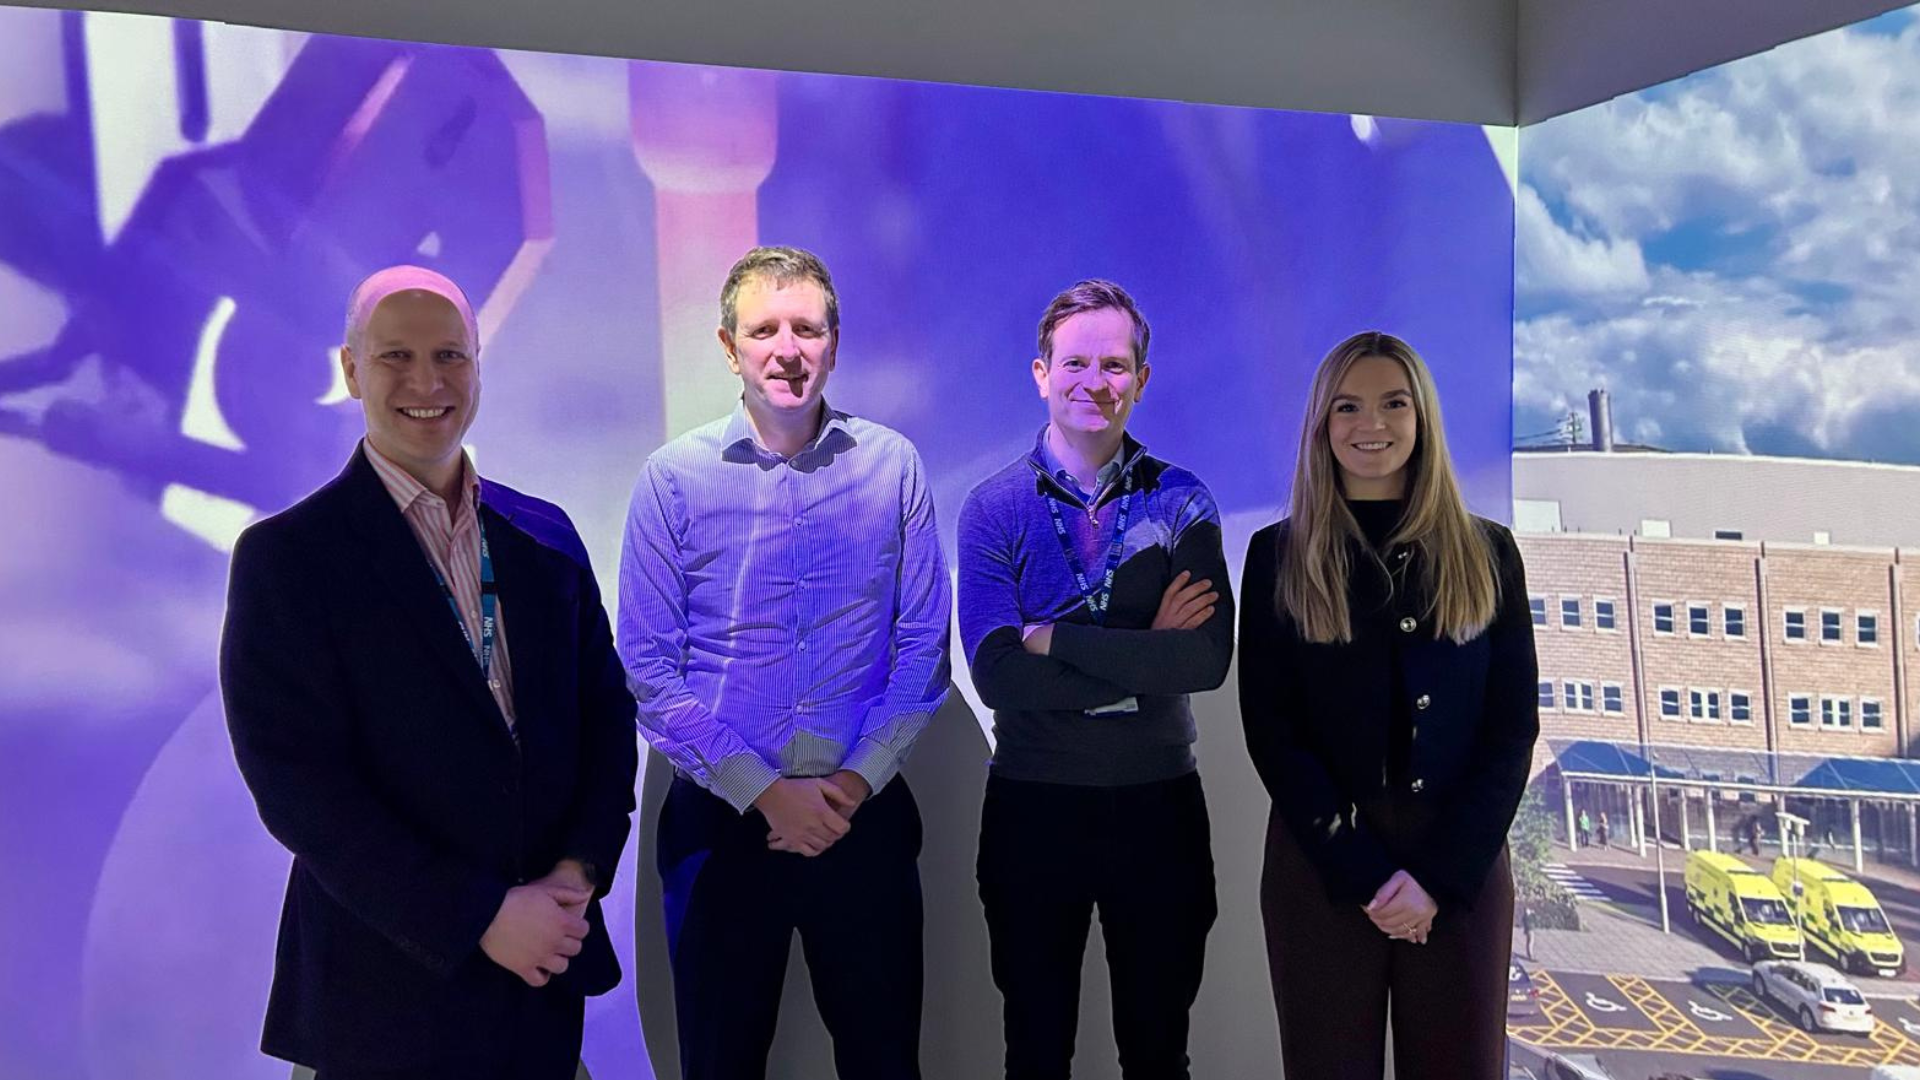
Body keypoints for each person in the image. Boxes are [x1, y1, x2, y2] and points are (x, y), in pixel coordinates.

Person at [221, 266, 640, 1080]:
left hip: (540, 987)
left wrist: (577, 872)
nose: (426, 381)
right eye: (396, 357)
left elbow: (605, 717)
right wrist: (480, 914)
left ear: (480, 365)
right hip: (381, 997)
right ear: (350, 370)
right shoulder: (289, 559)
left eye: (450, 355)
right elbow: (300, 789)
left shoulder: (544, 535)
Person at [620, 246, 951, 1080]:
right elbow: (648, 668)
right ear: (730, 348)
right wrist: (764, 792)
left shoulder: (893, 466)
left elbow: (922, 648)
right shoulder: (671, 481)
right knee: (720, 1066)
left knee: (885, 1066)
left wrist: (848, 786)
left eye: (807, 328)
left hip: (862, 820)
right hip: (720, 825)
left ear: (834, 344)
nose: (787, 348)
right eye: (764, 329)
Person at [1238, 330, 1539, 1080]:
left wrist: (1438, 877)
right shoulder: (1277, 557)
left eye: (1393, 403)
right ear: (1321, 426)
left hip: (1459, 873)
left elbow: (1511, 732)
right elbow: (1274, 734)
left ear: (1423, 418)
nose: (1371, 424)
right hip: (1323, 873)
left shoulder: (1490, 552)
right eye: (1348, 407)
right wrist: (1365, 874)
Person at [958, 279, 1232, 1079]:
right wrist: (1142, 653)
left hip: (1159, 812)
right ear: (1040, 373)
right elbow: (998, 673)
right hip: (1033, 812)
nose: (1095, 382)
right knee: (1036, 1050)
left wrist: (1055, 639)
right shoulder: (992, 508)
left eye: (1115, 364)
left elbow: (1205, 661)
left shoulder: (1184, 501)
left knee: (1157, 1053)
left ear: (1141, 380)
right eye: (1074, 362)